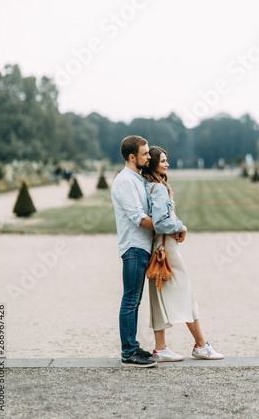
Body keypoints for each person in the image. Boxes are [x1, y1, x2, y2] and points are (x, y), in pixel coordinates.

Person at [142, 146, 224, 362]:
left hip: (155, 249)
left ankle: (160, 348)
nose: (166, 164)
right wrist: (181, 226)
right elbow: (160, 222)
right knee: (186, 295)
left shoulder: (145, 186)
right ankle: (201, 345)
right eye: (163, 161)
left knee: (157, 297)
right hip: (167, 249)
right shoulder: (158, 188)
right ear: (153, 164)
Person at [111, 136, 157, 368]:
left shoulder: (136, 179)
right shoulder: (125, 182)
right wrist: (168, 226)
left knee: (135, 300)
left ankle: (132, 345)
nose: (149, 156)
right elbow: (137, 217)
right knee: (130, 300)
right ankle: (128, 352)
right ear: (132, 157)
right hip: (133, 247)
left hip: (141, 247)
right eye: (145, 153)